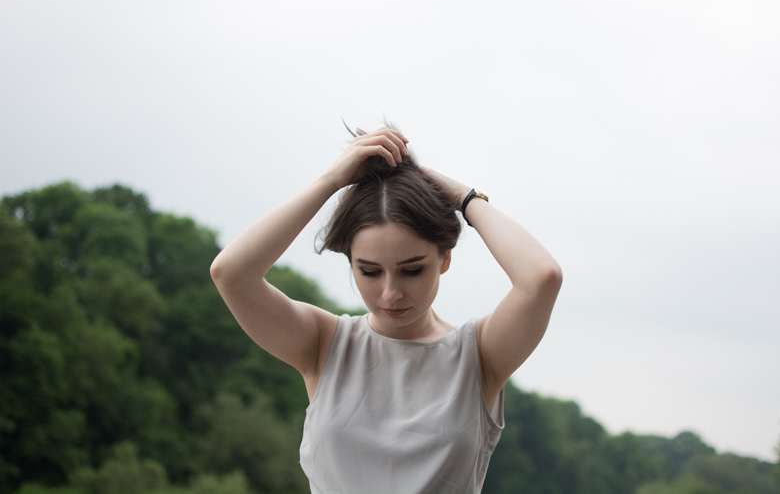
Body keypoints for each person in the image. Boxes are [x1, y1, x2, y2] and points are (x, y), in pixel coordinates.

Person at [210, 123, 562, 493]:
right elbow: (230, 273)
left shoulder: (479, 356)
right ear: (350, 263)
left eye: (412, 270)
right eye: (369, 271)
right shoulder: (323, 344)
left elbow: (542, 277)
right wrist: (332, 180)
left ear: (444, 259)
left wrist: (465, 197)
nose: (390, 294)